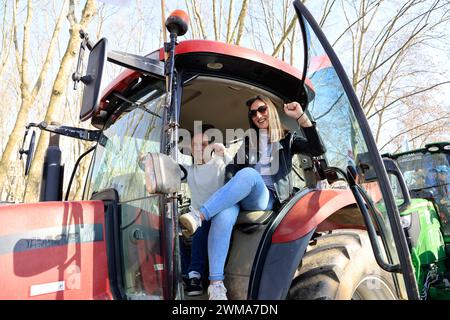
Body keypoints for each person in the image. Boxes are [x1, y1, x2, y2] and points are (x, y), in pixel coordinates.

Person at [179, 95, 325, 300]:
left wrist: (301, 117)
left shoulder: (287, 138)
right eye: (253, 113)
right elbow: (232, 167)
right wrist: (231, 182)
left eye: (262, 109)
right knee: (222, 214)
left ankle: (199, 215)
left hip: (267, 196)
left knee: (249, 174)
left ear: (271, 111)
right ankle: (216, 285)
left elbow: (317, 149)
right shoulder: (249, 141)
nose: (257, 115)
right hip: (243, 195)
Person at [179, 125, 233, 296]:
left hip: (218, 217)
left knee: (202, 225)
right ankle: (186, 274)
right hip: (195, 221)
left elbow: (238, 173)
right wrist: (145, 160)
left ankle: (195, 275)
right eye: (195, 145)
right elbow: (164, 171)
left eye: (203, 144)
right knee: (172, 234)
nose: (199, 149)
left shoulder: (219, 164)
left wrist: (223, 153)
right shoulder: (189, 170)